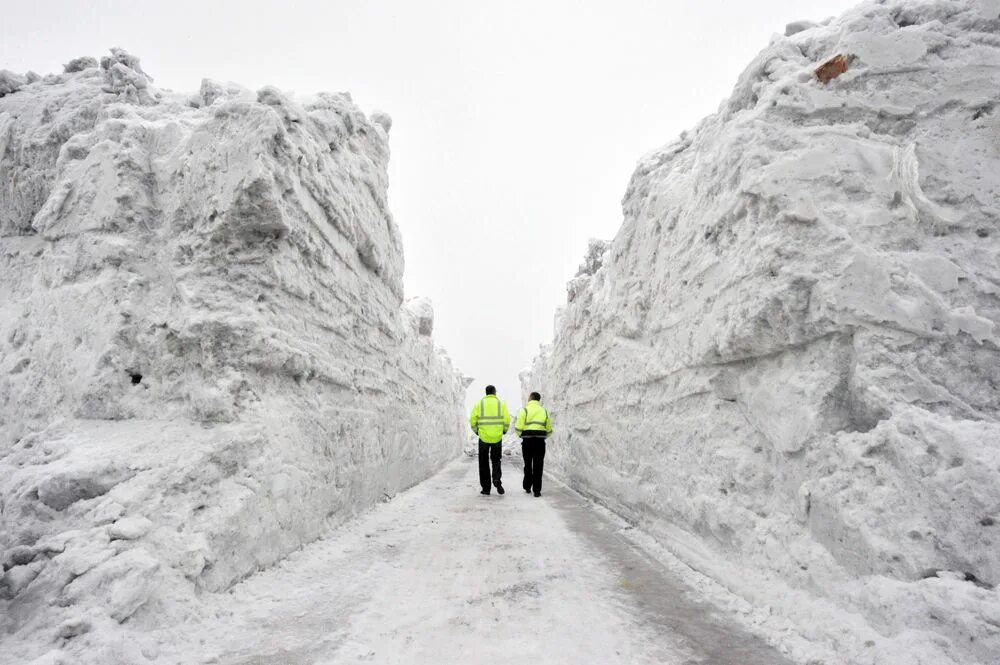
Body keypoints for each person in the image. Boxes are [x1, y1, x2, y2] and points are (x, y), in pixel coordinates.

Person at [469, 385, 510, 495]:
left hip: (483, 438)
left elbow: (472, 420)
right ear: (494, 392)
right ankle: (496, 479)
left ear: (486, 393)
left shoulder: (479, 404)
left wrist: (477, 431)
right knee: (496, 460)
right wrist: (504, 431)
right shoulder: (501, 404)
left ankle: (486, 488)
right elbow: (507, 420)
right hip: (497, 437)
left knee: (483, 463)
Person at [515, 392, 553, 497]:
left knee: (528, 464)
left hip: (527, 441)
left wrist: (521, 435)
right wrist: (544, 436)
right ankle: (537, 490)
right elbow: (549, 429)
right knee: (538, 465)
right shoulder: (544, 411)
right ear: (538, 400)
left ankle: (527, 486)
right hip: (540, 442)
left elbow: (518, 427)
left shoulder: (525, 410)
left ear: (530, 398)